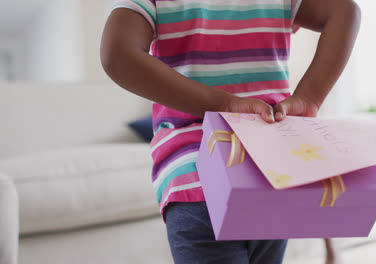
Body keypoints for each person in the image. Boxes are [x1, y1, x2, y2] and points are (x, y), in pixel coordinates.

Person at [101, 0, 360, 263]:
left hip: (199, 175)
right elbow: (346, 11)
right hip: (270, 170)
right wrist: (310, 97)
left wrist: (226, 105)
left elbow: (117, 54)